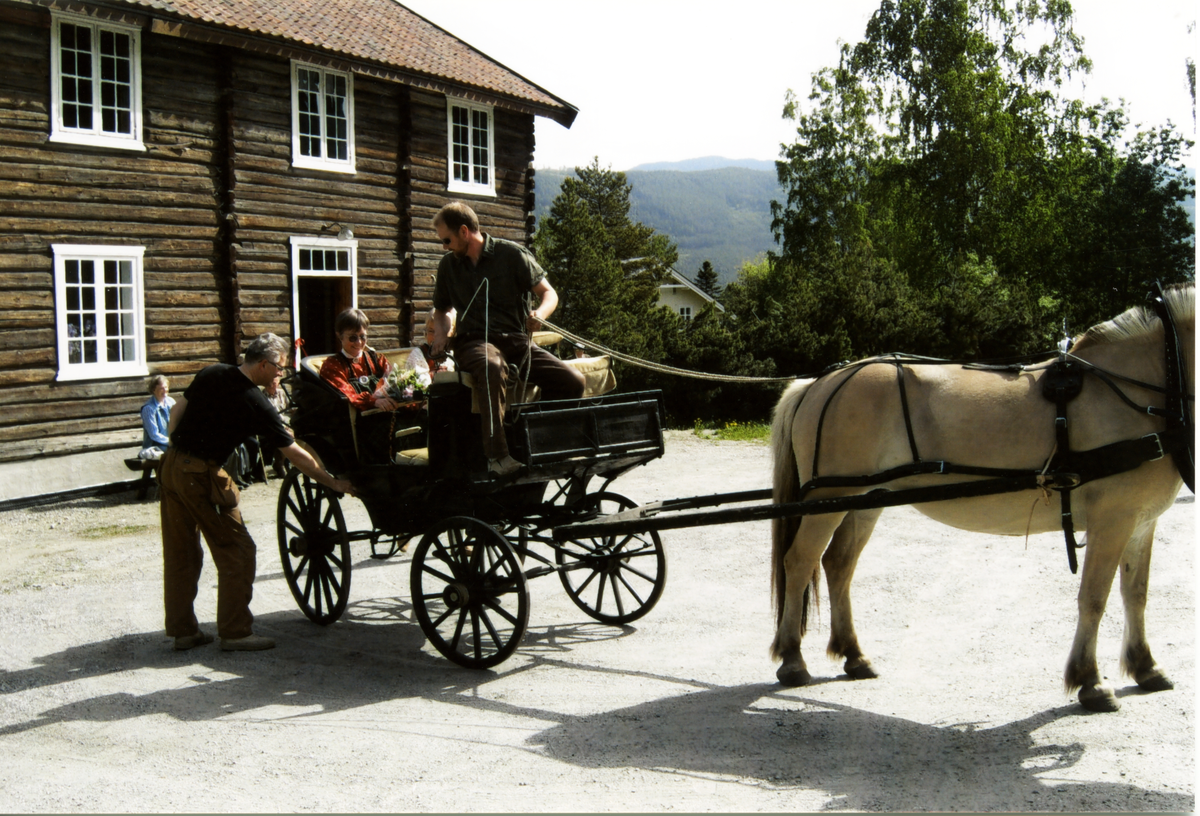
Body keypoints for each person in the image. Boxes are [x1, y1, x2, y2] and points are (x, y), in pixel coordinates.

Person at [161, 333, 354, 652]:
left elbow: (177, 411)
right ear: (263, 364)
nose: (280, 373)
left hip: (172, 466)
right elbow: (293, 453)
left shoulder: (213, 372)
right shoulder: (254, 400)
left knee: (182, 552)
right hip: (200, 473)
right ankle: (236, 632)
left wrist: (176, 449)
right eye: (278, 368)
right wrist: (331, 481)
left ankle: (184, 631)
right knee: (238, 550)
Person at [431, 202, 585, 476]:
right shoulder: (448, 266)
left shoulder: (512, 254)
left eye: (447, 240)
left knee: (572, 381)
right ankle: (497, 456)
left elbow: (549, 294)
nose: (444, 246)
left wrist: (540, 314)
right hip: (473, 343)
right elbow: (442, 309)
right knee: (492, 365)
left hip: (516, 342)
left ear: (465, 231)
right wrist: (442, 334)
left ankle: (539, 440)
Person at [139, 375, 174, 460]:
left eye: (166, 387)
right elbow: (154, 435)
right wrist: (171, 442)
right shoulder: (149, 408)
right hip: (155, 446)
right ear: (154, 390)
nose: (165, 390)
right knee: (176, 455)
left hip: (171, 443)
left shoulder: (171, 402)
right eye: (161, 388)